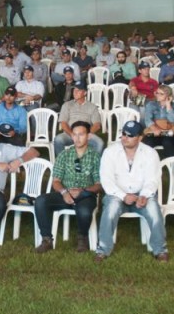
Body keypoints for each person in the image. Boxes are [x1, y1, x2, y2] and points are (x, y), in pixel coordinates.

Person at [95, 120, 166, 262]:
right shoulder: (110, 152)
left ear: (140, 137)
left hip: (141, 193)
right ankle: (103, 249)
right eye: (123, 134)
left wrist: (144, 195)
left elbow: (153, 179)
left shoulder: (150, 153)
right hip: (116, 194)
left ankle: (160, 250)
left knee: (153, 209)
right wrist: (123, 196)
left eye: (130, 135)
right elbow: (106, 180)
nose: (125, 138)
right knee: (111, 209)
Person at [34, 121, 102, 253]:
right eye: (74, 135)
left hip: (85, 194)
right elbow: (56, 181)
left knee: (84, 211)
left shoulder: (95, 157)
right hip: (65, 193)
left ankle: (82, 238)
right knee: (40, 201)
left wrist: (82, 191)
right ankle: (47, 239)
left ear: (88, 136)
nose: (77, 138)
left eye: (81, 134)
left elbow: (99, 185)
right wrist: (64, 192)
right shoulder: (64, 155)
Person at [53, 81, 104, 155]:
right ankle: (61, 163)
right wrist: (72, 134)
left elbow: (97, 124)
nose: (75, 92)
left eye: (78, 90)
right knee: (58, 139)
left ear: (85, 93)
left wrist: (87, 134)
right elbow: (63, 123)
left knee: (100, 143)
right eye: (74, 90)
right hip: (70, 133)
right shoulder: (67, 105)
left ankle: (94, 165)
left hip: (86, 134)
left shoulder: (92, 106)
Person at [142, 84, 174, 158]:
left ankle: (170, 164)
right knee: (147, 142)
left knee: (167, 142)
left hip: (169, 132)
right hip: (154, 132)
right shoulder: (151, 104)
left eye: (161, 94)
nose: (158, 95)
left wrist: (168, 105)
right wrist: (155, 129)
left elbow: (173, 120)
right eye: (157, 93)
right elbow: (148, 120)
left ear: (168, 96)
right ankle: (146, 164)